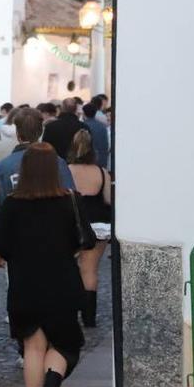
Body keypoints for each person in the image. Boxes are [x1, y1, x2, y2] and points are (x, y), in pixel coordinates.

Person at [0, 143, 94, 387]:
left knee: (33, 347)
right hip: (61, 282)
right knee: (66, 345)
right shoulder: (68, 200)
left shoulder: (12, 203)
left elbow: (2, 247)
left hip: (25, 285)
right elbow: (83, 240)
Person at [67, 130, 112, 327]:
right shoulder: (102, 172)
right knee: (90, 270)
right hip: (98, 226)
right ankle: (89, 317)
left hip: (72, 225)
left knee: (70, 268)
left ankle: (70, 310)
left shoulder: (65, 170)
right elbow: (108, 200)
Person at [0, 109, 74, 202]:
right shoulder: (58, 162)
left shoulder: (2, 166)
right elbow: (70, 196)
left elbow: (1, 204)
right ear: (41, 132)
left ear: (17, 133)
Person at [81, 103, 111, 170]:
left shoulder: (83, 126)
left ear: (84, 114)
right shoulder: (103, 127)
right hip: (102, 162)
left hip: (88, 164)